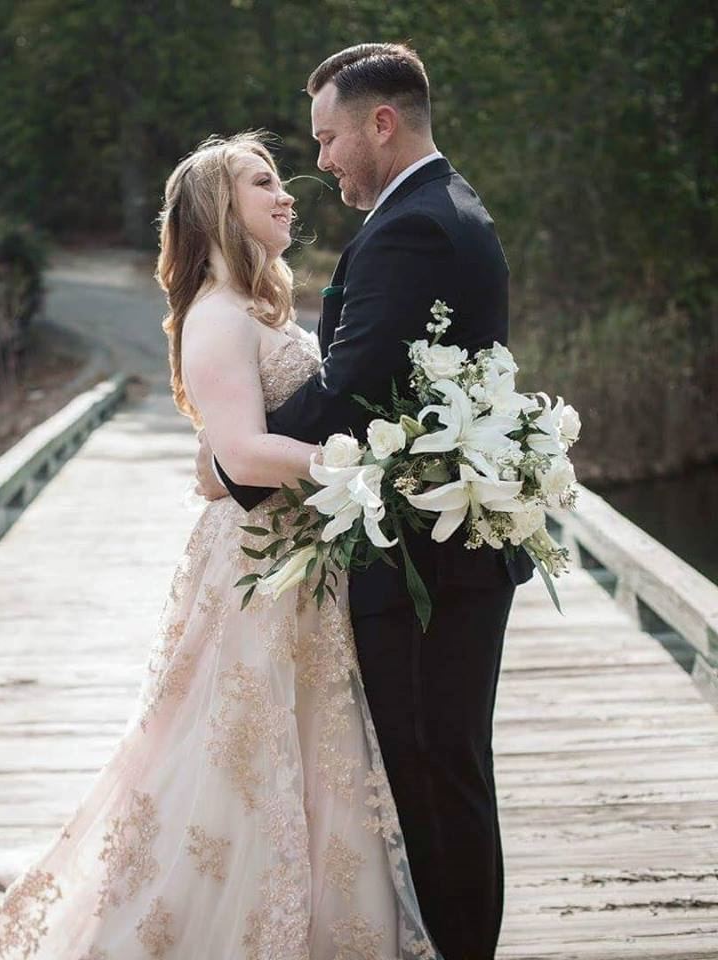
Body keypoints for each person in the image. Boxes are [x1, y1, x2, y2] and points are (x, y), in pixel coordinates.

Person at [0, 132, 439, 959]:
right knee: (233, 747)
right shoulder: (216, 314)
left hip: (298, 556)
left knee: (308, 743)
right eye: (263, 182)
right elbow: (242, 455)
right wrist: (371, 466)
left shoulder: (260, 306)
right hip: (257, 561)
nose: (287, 195)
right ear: (218, 207)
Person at [197, 44, 535, 960]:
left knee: (434, 776)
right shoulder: (441, 207)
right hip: (438, 547)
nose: (322, 161)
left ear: (380, 123)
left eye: (328, 138)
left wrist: (235, 460)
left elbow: (349, 389)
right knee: (442, 770)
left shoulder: (413, 227)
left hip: (428, 561)